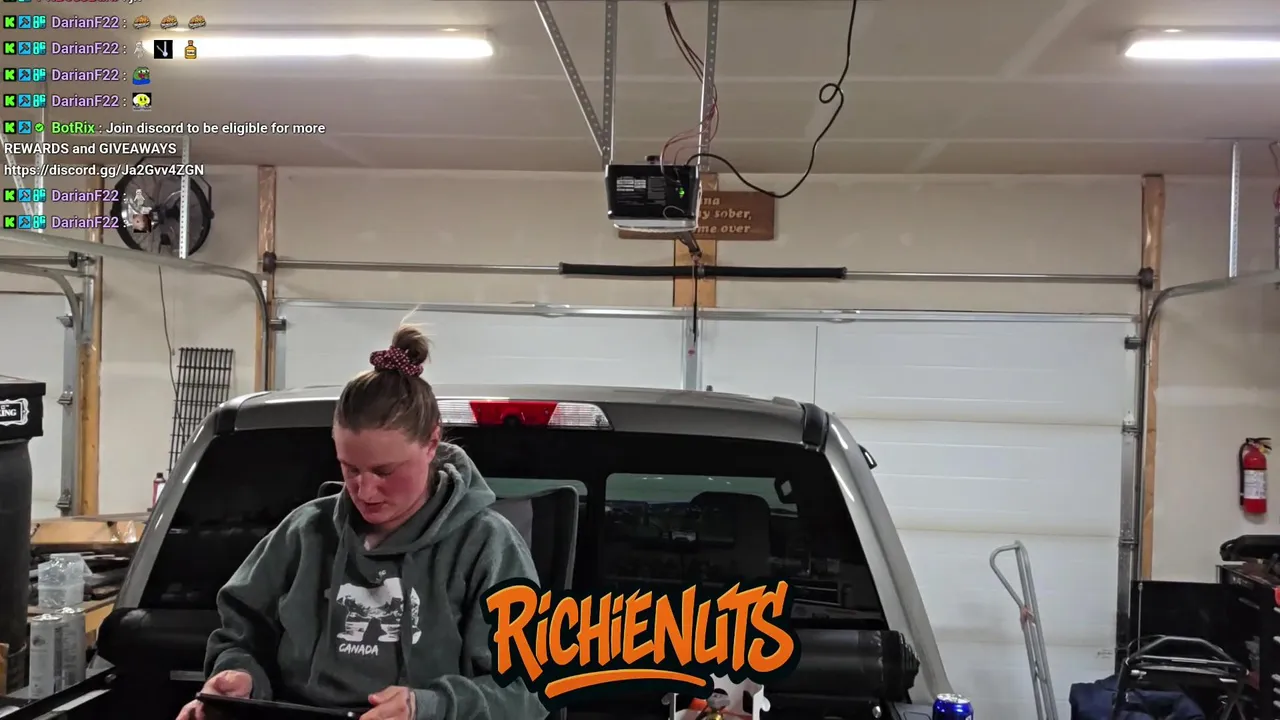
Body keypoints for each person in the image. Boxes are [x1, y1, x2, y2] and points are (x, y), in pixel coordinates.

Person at [177, 327, 545, 720]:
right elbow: (240, 636)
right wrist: (238, 677)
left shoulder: (487, 547)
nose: (365, 491)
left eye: (385, 471)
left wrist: (428, 707)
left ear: (431, 444)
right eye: (350, 468)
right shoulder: (305, 533)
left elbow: (524, 692)